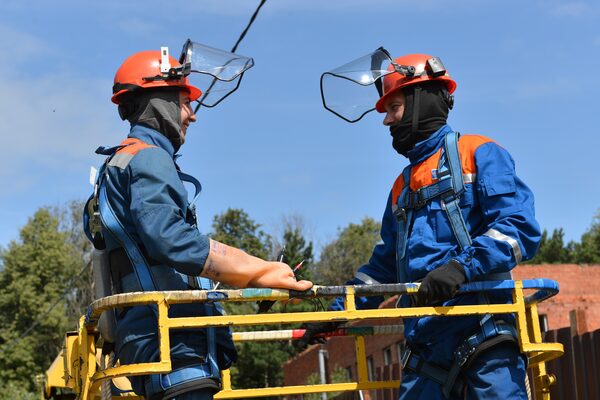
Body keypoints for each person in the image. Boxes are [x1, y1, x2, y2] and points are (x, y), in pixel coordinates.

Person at [300, 51, 541, 399]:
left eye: (394, 108)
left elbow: (518, 228)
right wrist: (337, 313)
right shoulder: (402, 187)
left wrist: (460, 268)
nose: (386, 121)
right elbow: (381, 269)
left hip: (483, 331)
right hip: (425, 348)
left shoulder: (478, 153)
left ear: (421, 101)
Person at [85, 43, 312, 400]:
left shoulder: (119, 163)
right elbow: (171, 239)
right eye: (184, 102)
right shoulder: (148, 159)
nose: (192, 116)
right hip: (172, 339)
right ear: (160, 103)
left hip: (150, 337)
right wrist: (260, 271)